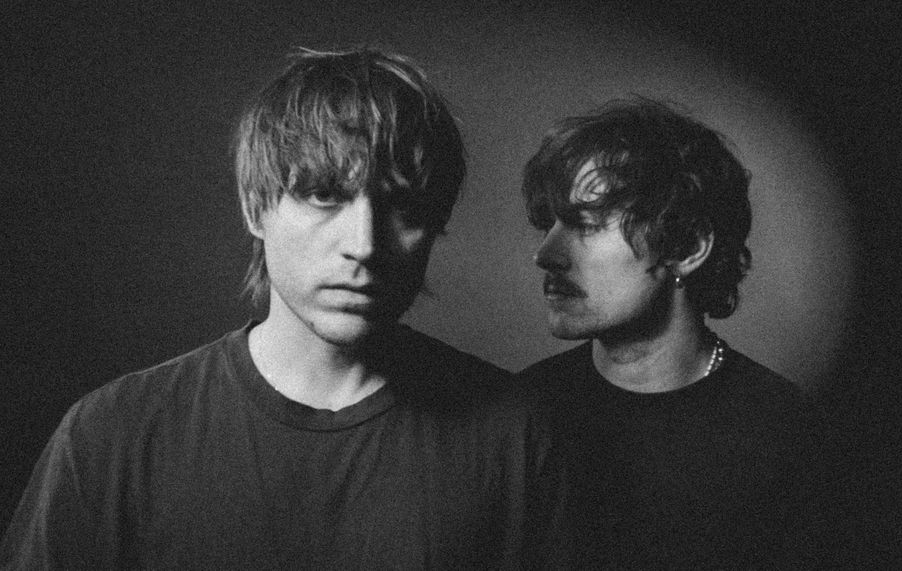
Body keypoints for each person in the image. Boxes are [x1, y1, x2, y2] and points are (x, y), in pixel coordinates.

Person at [2, 48, 563, 569]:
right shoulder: (112, 435)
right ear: (255, 208)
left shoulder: (514, 436)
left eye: (404, 207)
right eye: (324, 195)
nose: (365, 244)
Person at [518, 96, 836, 568]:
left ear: (687, 248)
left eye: (586, 224)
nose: (545, 254)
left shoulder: (791, 436)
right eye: (548, 224)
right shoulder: (520, 416)